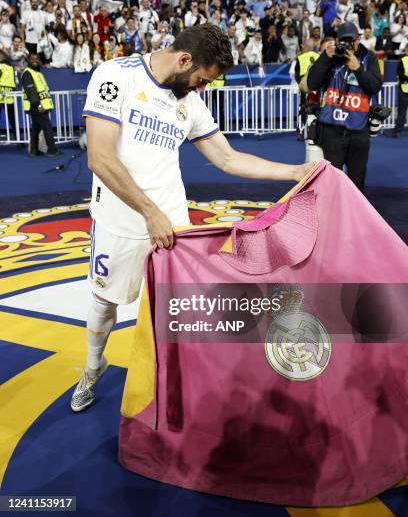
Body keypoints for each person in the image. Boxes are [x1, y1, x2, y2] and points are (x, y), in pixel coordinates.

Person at [70, 24, 314, 412]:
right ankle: (92, 366)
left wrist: (294, 172)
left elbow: (228, 158)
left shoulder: (191, 104)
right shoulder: (116, 76)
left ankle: (175, 383)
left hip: (172, 225)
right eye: (201, 79)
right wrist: (149, 212)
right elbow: (100, 158)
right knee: (105, 301)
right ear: (184, 60)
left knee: (176, 308)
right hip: (121, 219)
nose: (202, 89)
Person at [307, 21, 382, 191]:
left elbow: (375, 86)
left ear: (358, 40)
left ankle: (354, 215)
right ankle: (332, 213)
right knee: (332, 177)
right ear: (337, 40)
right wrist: (325, 57)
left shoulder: (369, 58)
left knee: (357, 177)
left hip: (358, 129)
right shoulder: (330, 57)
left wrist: (358, 68)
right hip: (331, 129)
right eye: (344, 41)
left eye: (351, 41)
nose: (348, 45)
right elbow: (312, 83)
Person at [21, 52, 60, 157]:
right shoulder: (27, 73)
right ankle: (52, 150)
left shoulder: (38, 73)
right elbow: (31, 91)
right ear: (28, 60)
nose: (35, 60)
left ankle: (33, 150)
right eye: (32, 59)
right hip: (37, 106)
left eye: (37, 58)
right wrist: (38, 105)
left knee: (36, 128)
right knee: (47, 127)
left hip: (41, 106)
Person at [390, 45, 408, 138]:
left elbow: (401, 76)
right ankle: (397, 131)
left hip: (404, 89)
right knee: (401, 112)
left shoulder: (402, 60)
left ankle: (397, 131)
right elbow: (400, 76)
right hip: (404, 90)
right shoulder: (402, 60)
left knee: (401, 112)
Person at [0, 50, 17, 139]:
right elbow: (14, 82)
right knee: (13, 119)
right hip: (9, 96)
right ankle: (18, 138)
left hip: (1, 96)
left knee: (12, 119)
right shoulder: (11, 68)